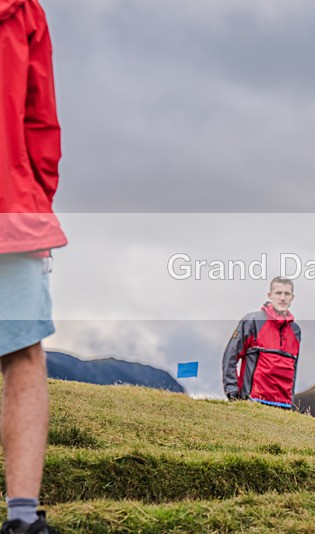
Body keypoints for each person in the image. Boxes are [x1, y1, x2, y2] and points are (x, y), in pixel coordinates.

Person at [0, 0, 66, 531]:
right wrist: (35, 200)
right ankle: (22, 515)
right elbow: (39, 118)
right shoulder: (21, 11)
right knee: (21, 354)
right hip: (9, 201)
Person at [222, 277, 301, 409]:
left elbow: (294, 369)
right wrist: (232, 392)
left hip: (284, 407)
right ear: (270, 295)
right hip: (253, 402)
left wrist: (291, 401)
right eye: (278, 293)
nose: (282, 298)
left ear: (292, 298)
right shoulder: (252, 321)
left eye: (287, 294)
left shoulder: (296, 331)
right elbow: (230, 356)